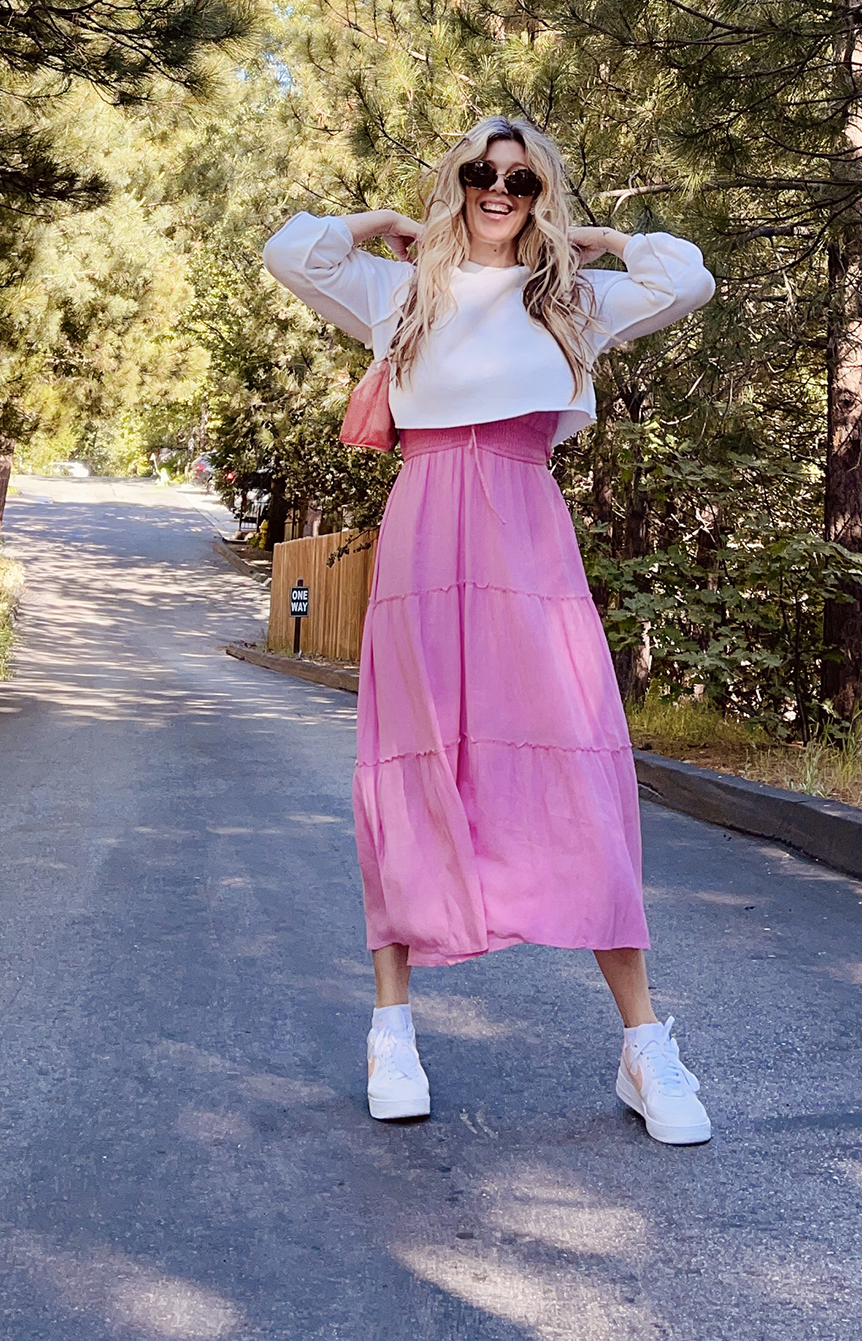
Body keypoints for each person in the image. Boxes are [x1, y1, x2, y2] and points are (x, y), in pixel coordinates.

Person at [262, 116, 716, 1145]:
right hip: (424, 540)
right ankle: (392, 1030)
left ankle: (646, 1046)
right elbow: (291, 251)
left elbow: (688, 279)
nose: (496, 187)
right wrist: (375, 220)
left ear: (538, 190)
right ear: (458, 181)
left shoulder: (570, 302)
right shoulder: (398, 291)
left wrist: (601, 239)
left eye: (518, 175)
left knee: (576, 762)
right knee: (410, 764)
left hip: (526, 537)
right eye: (479, 171)